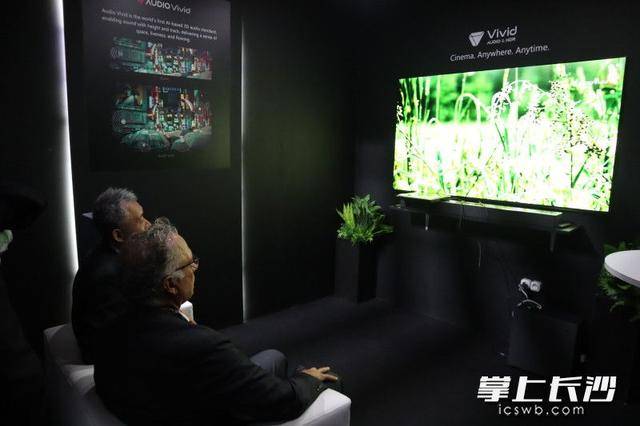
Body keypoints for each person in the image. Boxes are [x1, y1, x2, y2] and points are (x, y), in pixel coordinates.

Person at [94, 218, 338, 425]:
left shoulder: (109, 329)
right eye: (191, 262)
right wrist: (308, 379)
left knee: (275, 357)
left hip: (169, 403)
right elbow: (284, 400)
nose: (195, 268)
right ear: (170, 284)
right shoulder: (203, 346)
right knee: (331, 380)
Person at [71, 187, 151, 363]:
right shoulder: (108, 276)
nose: (148, 224)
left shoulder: (106, 254)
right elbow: (104, 341)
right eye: (140, 220)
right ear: (118, 235)